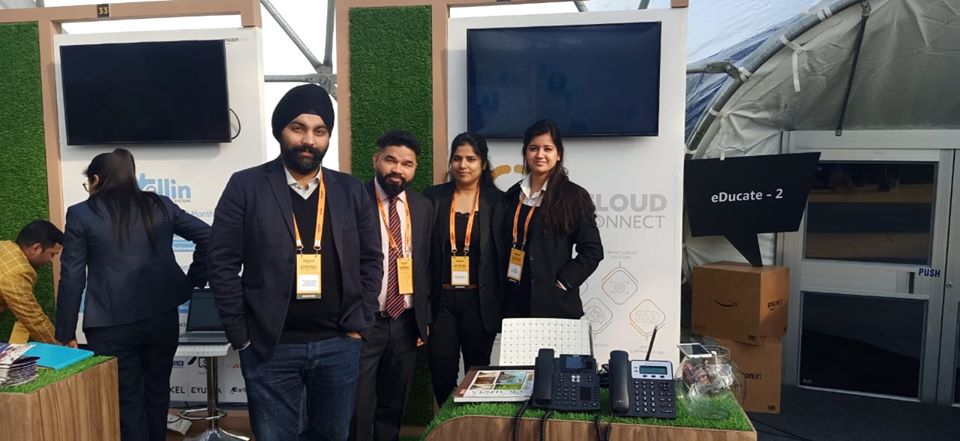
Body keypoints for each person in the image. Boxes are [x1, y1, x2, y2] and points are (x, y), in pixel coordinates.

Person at [208, 84, 382, 441]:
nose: (308, 140)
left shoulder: (350, 190)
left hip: (339, 343)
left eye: (320, 131)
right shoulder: (246, 186)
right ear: (280, 131)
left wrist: (360, 324)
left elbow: (371, 259)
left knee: (333, 435)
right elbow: (222, 263)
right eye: (298, 128)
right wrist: (241, 336)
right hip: (269, 346)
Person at [55, 148, 209, 441]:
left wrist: (65, 332)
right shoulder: (160, 205)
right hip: (162, 318)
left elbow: (73, 277)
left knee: (127, 403)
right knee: (157, 394)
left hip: (111, 325)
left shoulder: (81, 213)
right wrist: (194, 279)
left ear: (96, 179)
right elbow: (209, 236)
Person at [351, 130, 433, 441]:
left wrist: (424, 318)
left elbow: (427, 264)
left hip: (405, 322)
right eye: (391, 160)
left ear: (415, 168)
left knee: (394, 403)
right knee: (358, 405)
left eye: (407, 164)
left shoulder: (422, 206)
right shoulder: (354, 199)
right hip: (364, 322)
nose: (398, 169)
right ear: (376, 159)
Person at [422, 132, 505, 405]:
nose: (463, 165)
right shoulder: (433, 197)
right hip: (441, 301)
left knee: (477, 374)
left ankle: (472, 423)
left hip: (479, 302)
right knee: (441, 371)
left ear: (483, 163)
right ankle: (448, 422)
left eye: (471, 159)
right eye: (457, 158)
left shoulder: (499, 202)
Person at [501, 119, 603, 319]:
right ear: (525, 153)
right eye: (533, 148)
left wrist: (563, 282)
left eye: (547, 149)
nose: (540, 155)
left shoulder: (574, 196)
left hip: (556, 306)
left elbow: (593, 250)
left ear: (558, 155)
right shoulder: (511, 196)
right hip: (515, 306)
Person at [0, 220, 63, 344]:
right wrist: (60, 347)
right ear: (36, 248)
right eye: (52, 254)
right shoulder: (18, 272)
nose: (51, 260)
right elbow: (33, 318)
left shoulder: (5, 246)